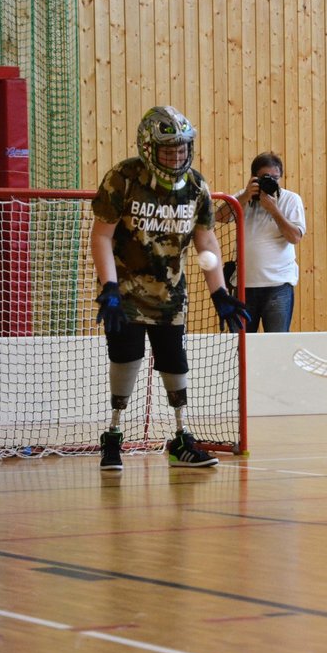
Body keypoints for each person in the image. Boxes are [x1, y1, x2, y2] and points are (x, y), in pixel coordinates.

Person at [90, 105, 250, 471]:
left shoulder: (196, 187)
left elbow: (206, 243)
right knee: (125, 360)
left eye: (181, 148)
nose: (176, 155)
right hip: (126, 295)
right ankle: (113, 436)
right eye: (168, 149)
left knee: (175, 364)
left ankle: (181, 438)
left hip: (170, 297)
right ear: (148, 148)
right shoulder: (124, 178)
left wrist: (220, 293)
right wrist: (109, 287)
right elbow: (101, 235)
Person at [216, 152, 306, 332]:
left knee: (277, 345)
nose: (270, 182)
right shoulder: (243, 197)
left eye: (275, 178)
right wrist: (245, 196)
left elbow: (295, 237)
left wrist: (274, 209)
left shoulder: (290, 199)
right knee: (241, 346)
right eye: (265, 178)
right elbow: (220, 217)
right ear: (253, 178)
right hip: (244, 286)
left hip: (278, 286)